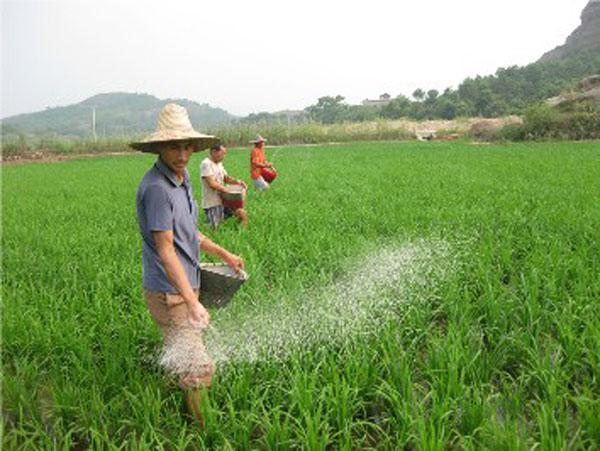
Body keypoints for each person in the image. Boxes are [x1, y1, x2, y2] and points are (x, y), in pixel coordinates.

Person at [131, 103, 244, 427]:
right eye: (172, 146)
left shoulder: (182, 180)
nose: (181, 154)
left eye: (185, 146)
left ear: (194, 147)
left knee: (182, 352)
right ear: (159, 147)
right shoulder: (156, 188)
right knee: (199, 369)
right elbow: (166, 249)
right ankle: (203, 433)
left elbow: (187, 232)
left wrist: (223, 253)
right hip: (171, 293)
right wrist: (193, 303)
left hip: (185, 285)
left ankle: (170, 405)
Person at [200, 142, 248, 229]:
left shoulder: (219, 164)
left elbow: (226, 178)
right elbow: (212, 183)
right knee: (214, 228)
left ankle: (240, 232)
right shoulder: (206, 164)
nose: (224, 156)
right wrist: (227, 190)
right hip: (212, 202)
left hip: (224, 199)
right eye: (222, 153)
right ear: (214, 152)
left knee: (241, 213)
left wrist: (238, 182)